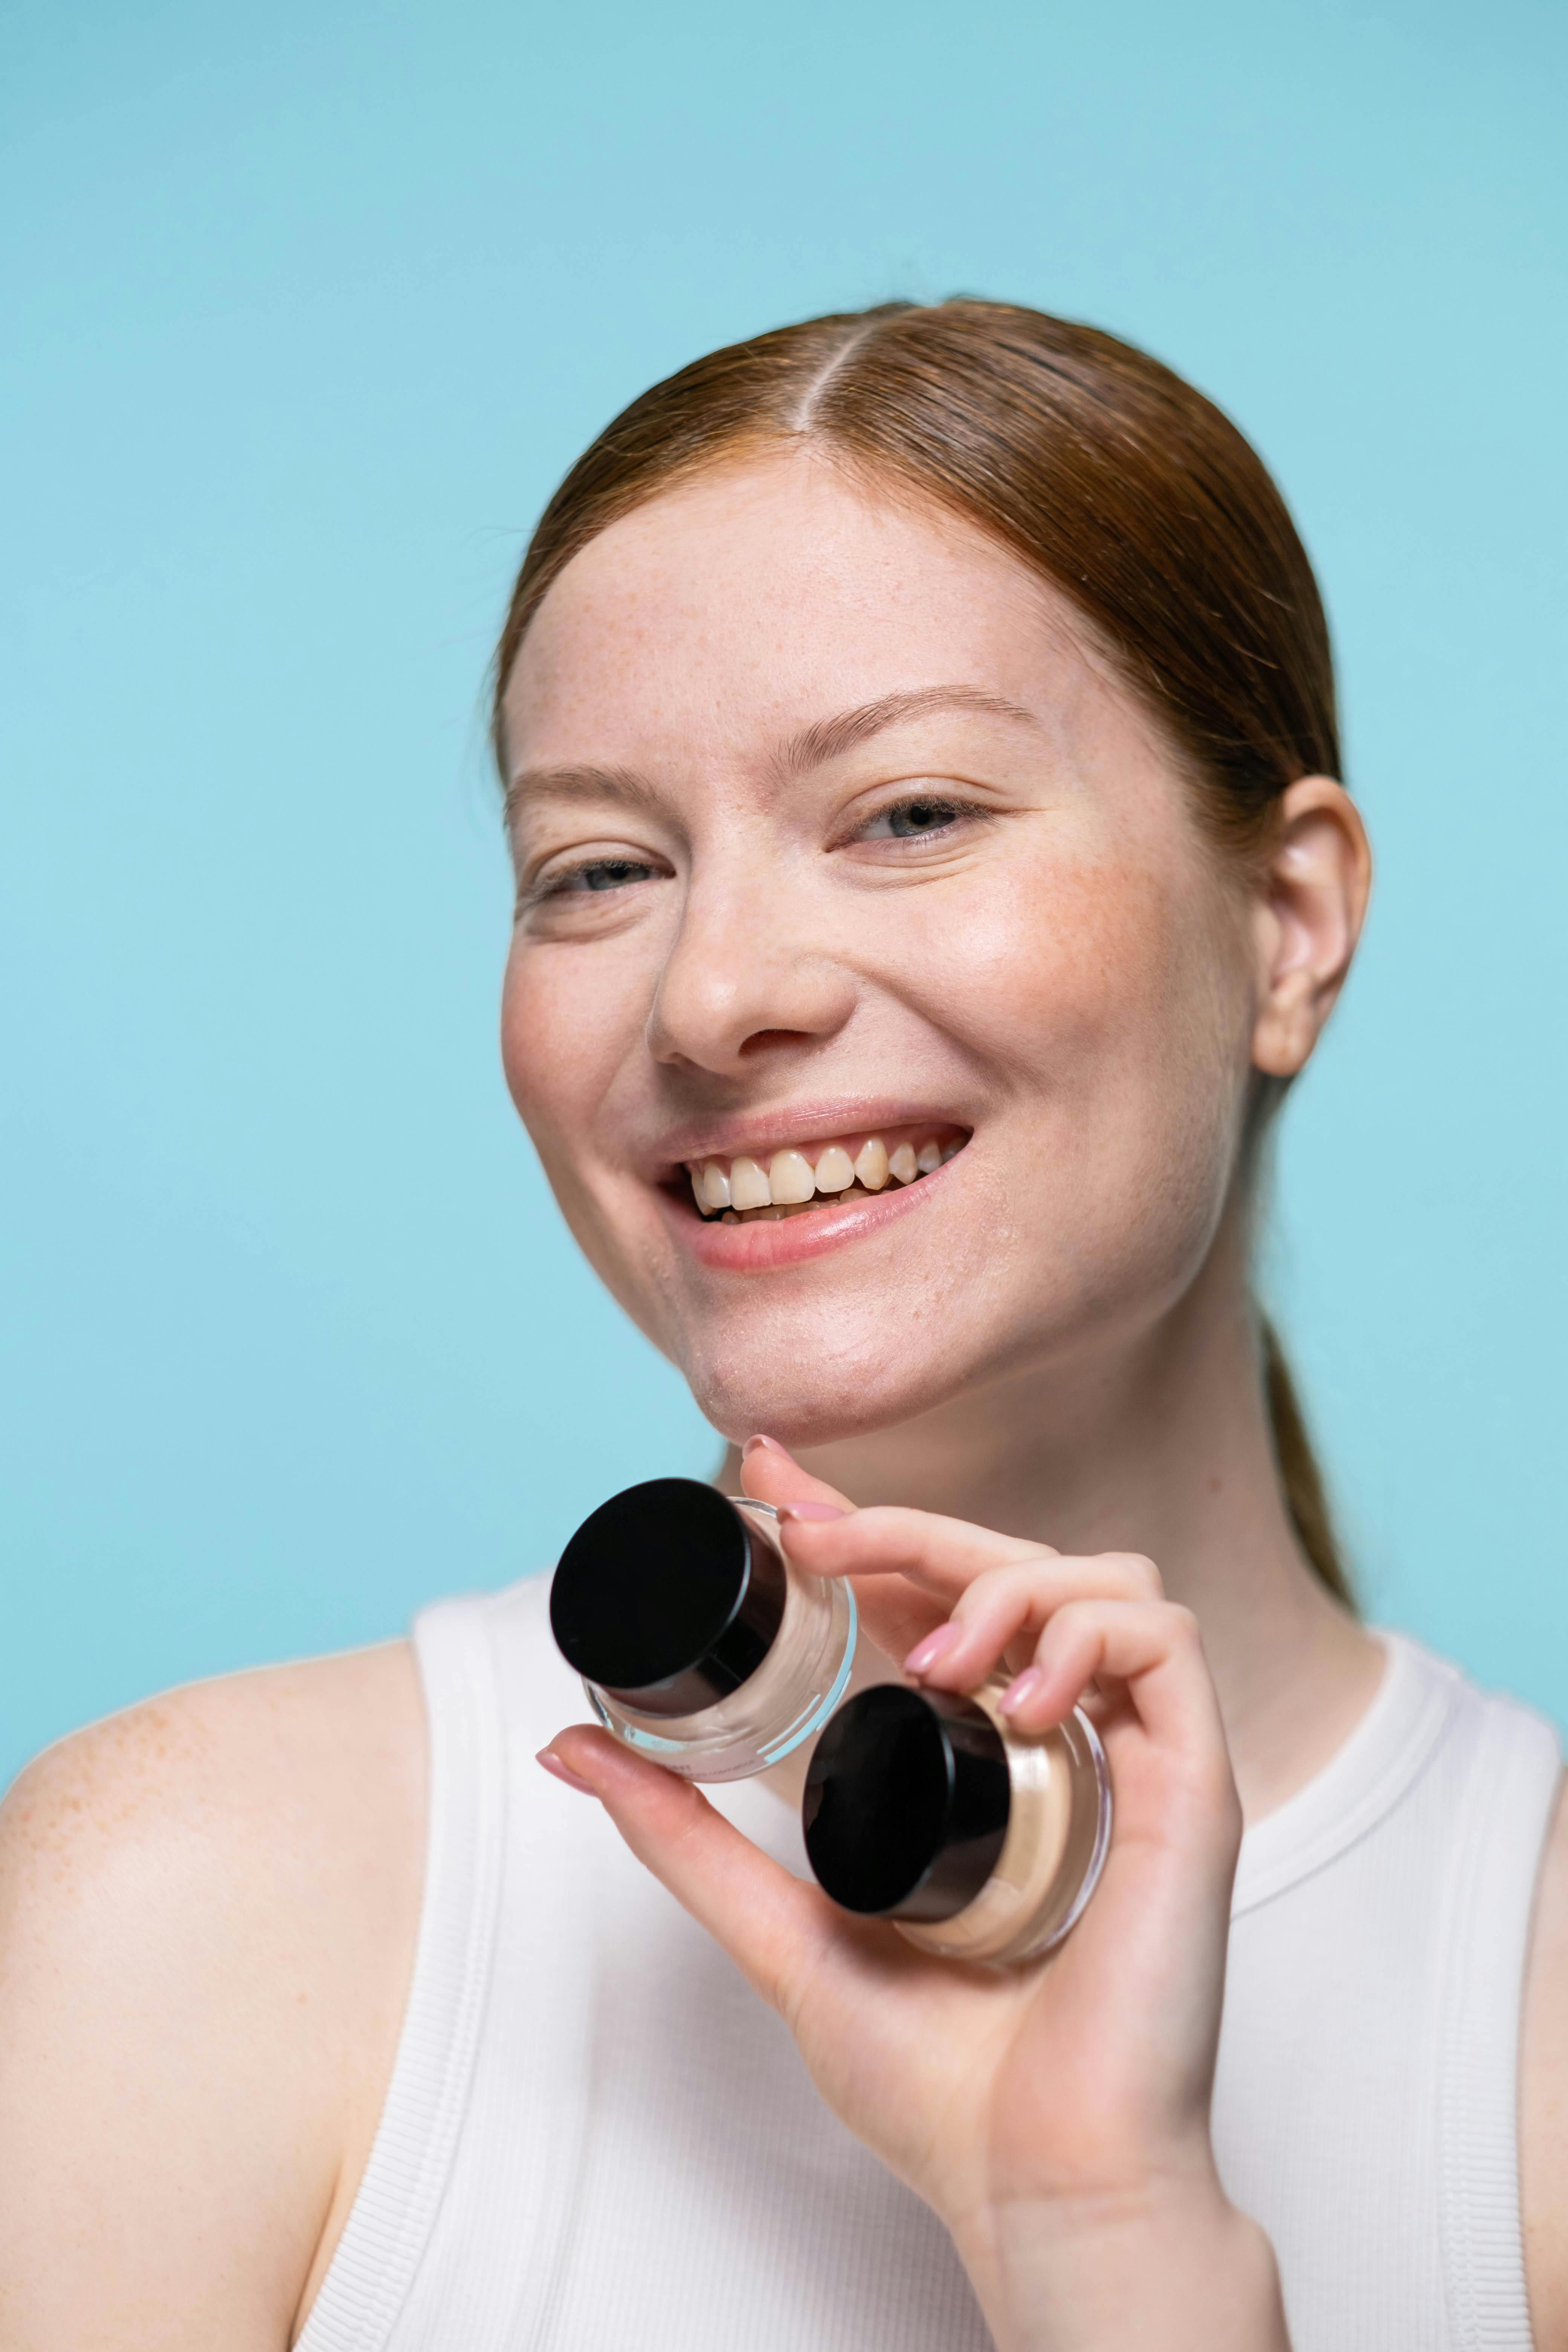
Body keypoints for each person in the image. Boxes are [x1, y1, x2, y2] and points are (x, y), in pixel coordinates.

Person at [1, 299, 1563, 2352]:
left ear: (1288, 926)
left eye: (910, 815)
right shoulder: (182, 1905)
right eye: (597, 869)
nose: (715, 993)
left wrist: (1114, 2252)